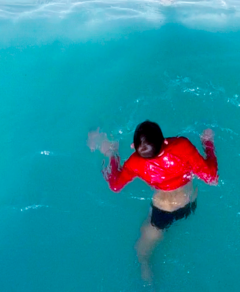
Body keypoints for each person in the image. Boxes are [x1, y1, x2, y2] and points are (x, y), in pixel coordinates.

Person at [89, 121, 218, 282]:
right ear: (164, 141)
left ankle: (151, 289)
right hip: (189, 202)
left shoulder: (135, 163)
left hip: (162, 212)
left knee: (142, 255)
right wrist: (208, 143)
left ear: (132, 146)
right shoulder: (181, 145)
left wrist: (112, 154)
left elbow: (115, 186)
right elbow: (211, 178)